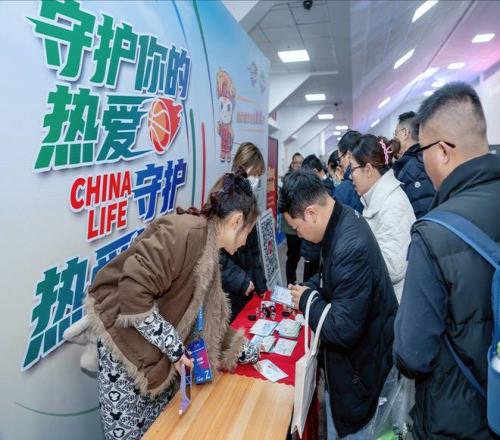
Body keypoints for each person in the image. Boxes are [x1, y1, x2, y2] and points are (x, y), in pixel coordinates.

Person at [86, 171, 260, 440]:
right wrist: (175, 348)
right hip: (124, 346)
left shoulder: (208, 246)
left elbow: (208, 317)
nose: (246, 240)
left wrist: (241, 348)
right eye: (248, 231)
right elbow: (132, 290)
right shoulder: (184, 232)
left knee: (159, 428)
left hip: (156, 350)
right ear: (237, 221)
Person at [394, 82, 500, 439]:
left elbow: (412, 354)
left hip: (457, 420)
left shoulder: (434, 234)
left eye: (421, 150)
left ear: (442, 151)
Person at [281, 169, 398, 439]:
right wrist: (309, 288)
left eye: (297, 228)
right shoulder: (340, 220)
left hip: (360, 376)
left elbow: (342, 329)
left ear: (311, 213)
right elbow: (332, 280)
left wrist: (306, 299)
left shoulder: (349, 245)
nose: (299, 235)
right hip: (355, 367)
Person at [350, 134, 415, 302]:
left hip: (395, 304)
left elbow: (393, 268)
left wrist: (351, 257)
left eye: (352, 169)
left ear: (368, 169)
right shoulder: (376, 199)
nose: (350, 176)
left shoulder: (393, 205)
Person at [219, 142, 268, 320]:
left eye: (259, 175)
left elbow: (253, 249)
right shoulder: (224, 198)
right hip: (229, 288)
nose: (256, 180)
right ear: (240, 165)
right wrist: (240, 279)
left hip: (247, 284)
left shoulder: (249, 200)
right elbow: (216, 254)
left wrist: (261, 285)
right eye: (254, 174)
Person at [392, 111, 435, 218]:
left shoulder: (413, 167)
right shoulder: (422, 158)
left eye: (396, 133)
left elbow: (422, 208)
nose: (394, 138)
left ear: (405, 133)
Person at [301, 154, 333, 282]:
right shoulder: (318, 188)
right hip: (312, 247)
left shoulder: (325, 191)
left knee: (311, 282)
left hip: (315, 248)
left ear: (315, 172)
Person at [281, 152, 304, 285]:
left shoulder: (305, 180)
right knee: (292, 255)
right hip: (290, 226)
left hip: (303, 225)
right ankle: (290, 282)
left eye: (301, 163)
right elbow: (282, 205)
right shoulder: (287, 181)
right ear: (292, 164)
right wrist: (292, 223)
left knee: (299, 254)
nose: (298, 165)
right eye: (296, 163)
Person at [334, 131, 364, 213]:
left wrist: (342, 185)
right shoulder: (369, 177)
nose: (340, 164)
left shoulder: (346, 188)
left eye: (339, 159)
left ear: (348, 155)